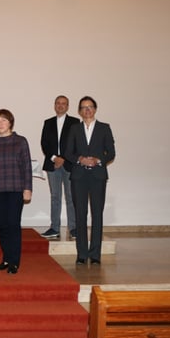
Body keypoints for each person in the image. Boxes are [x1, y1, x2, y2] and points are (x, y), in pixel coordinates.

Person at [64, 96, 115, 265]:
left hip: (98, 176)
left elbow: (111, 152)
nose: (87, 110)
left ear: (95, 109)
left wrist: (97, 160)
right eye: (84, 107)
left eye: (90, 107)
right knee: (80, 214)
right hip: (79, 176)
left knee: (97, 214)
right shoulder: (74, 129)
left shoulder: (104, 128)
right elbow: (68, 152)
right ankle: (82, 253)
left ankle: (95, 255)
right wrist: (80, 159)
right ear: (79, 111)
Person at [0, 109, 32, 275]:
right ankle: (6, 259)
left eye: (3, 120)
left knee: (13, 225)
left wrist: (27, 189)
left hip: (15, 189)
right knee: (2, 226)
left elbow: (27, 167)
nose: (0, 123)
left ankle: (14, 261)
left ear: (10, 122)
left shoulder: (20, 141)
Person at [40, 95, 80, 240]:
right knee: (55, 197)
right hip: (52, 164)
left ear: (68, 106)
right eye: (58, 103)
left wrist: (64, 158)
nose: (61, 106)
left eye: (64, 103)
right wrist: (54, 158)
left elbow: (77, 144)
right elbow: (44, 143)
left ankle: (74, 228)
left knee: (71, 197)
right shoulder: (48, 122)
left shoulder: (75, 122)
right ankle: (54, 228)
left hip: (69, 164)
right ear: (54, 105)